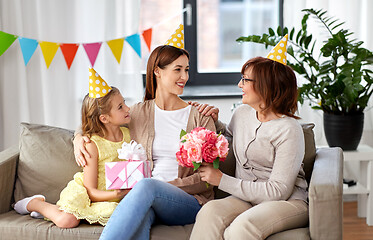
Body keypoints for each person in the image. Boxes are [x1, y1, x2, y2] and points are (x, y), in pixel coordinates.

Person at [73, 44, 216, 240]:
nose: (185, 77)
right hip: (147, 198)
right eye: (178, 70)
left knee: (146, 186)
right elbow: (99, 118)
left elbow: (207, 179)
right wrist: (78, 138)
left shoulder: (200, 117)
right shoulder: (139, 112)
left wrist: (162, 186)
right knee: (141, 218)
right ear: (157, 71)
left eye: (187, 70)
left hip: (189, 202)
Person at [190, 36, 309, 239]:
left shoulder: (289, 130)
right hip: (247, 198)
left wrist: (221, 180)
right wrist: (215, 123)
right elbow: (229, 138)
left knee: (241, 227)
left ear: (266, 85)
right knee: (209, 212)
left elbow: (278, 191)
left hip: (287, 202)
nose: (239, 84)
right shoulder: (242, 113)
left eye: (245, 79)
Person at [13, 69, 131, 228]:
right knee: (68, 221)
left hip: (112, 198)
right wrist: (115, 194)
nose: (128, 109)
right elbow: (90, 191)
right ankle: (35, 204)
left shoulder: (127, 135)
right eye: (120, 107)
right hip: (88, 195)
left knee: (121, 214)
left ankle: (54, 212)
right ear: (104, 118)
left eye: (124, 103)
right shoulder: (92, 145)